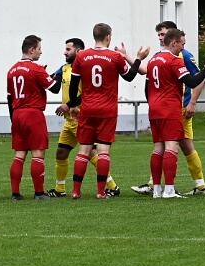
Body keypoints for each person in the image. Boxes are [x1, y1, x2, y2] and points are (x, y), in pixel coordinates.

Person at [59, 23, 148, 199]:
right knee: (103, 152)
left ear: (94, 36)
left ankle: (76, 191)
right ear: (108, 37)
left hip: (87, 109)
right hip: (107, 110)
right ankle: (101, 192)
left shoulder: (82, 56)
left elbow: (74, 86)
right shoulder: (115, 56)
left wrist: (73, 105)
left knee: (83, 151)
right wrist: (138, 58)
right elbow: (130, 77)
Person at [131, 21, 205, 196]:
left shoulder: (156, 60)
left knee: (160, 148)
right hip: (170, 108)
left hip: (157, 109)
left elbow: (147, 85)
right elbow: (193, 81)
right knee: (172, 147)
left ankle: (157, 189)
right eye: (181, 43)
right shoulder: (174, 60)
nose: (183, 47)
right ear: (173, 42)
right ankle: (170, 189)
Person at [51, 38, 119, 197]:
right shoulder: (63, 68)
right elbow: (52, 85)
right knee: (61, 152)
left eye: (68, 49)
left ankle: (112, 186)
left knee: (89, 153)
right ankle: (60, 189)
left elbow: (88, 92)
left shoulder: (84, 67)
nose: (65, 52)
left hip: (81, 116)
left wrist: (69, 105)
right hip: (69, 120)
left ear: (78, 51)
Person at [6, 35, 58, 201]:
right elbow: (55, 88)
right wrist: (52, 75)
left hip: (17, 114)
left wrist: (13, 118)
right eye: (39, 49)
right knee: (38, 153)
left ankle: (15, 193)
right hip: (33, 114)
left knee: (19, 154)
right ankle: (39, 193)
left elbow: (9, 97)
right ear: (31, 50)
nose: (41, 52)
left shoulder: (11, 70)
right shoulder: (36, 69)